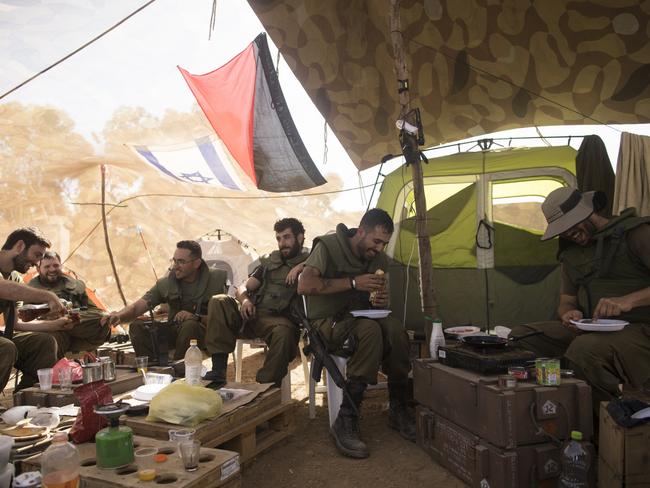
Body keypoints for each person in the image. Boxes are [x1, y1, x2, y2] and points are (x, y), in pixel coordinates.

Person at [511, 187, 650, 412]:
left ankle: (607, 423)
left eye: (571, 225)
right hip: (590, 329)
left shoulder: (636, 234)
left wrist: (628, 301)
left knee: (584, 350)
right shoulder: (571, 253)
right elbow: (567, 300)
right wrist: (568, 313)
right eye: (562, 229)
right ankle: (550, 410)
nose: (568, 233)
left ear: (587, 212)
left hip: (641, 330)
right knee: (521, 337)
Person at [297, 208, 414, 459]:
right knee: (370, 331)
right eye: (376, 241)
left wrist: (381, 299)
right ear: (361, 231)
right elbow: (304, 285)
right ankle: (346, 418)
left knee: (395, 329)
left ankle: (398, 407)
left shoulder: (378, 260)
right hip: (327, 322)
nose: (379, 248)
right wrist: (352, 283)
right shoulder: (328, 247)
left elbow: (380, 302)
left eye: (384, 243)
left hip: (361, 318)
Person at [203, 218, 309, 388]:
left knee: (284, 333)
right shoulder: (270, 262)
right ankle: (218, 370)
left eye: (287, 237)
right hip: (252, 313)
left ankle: (265, 387)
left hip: (278, 320)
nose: (282, 243)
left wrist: (301, 266)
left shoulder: (313, 260)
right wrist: (245, 300)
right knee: (219, 301)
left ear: (300, 237)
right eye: (279, 238)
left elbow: (328, 257)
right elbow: (243, 287)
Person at [102, 240, 228, 362]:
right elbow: (137, 307)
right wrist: (119, 315)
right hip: (174, 331)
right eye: (174, 261)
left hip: (202, 334)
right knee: (137, 327)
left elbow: (223, 321)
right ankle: (154, 370)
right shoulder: (167, 283)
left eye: (181, 262)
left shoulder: (215, 282)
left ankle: (179, 371)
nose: (175, 266)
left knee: (190, 326)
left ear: (196, 263)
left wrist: (196, 317)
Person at [0, 228, 66, 392]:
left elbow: (15, 324)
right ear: (20, 246)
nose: (37, 263)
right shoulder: (9, 284)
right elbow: (3, 288)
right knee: (5, 347)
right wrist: (48, 296)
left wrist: (55, 324)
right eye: (37, 255)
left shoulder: (15, 278)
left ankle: (26, 397)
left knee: (44, 342)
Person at [28, 251, 110, 358]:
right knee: (50, 339)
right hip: (53, 332)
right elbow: (26, 318)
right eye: (47, 266)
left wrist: (69, 317)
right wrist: (51, 319)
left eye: (56, 265)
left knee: (103, 317)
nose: (52, 269)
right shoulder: (31, 290)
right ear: (39, 269)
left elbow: (95, 312)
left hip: (77, 330)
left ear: (61, 266)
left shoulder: (73, 285)